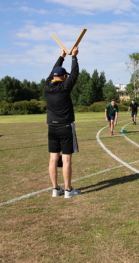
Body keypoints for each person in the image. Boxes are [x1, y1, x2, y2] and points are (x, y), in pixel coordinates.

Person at [44, 47, 81, 198]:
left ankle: (55, 189)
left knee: (53, 159)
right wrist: (74, 57)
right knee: (66, 159)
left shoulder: (47, 86)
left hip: (51, 128)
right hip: (65, 127)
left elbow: (52, 72)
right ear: (63, 77)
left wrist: (61, 57)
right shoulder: (65, 87)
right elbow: (75, 73)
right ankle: (68, 190)